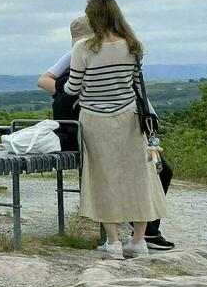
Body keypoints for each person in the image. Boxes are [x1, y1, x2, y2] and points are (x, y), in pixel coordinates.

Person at [39, 17, 176, 251]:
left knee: (148, 170)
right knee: (139, 172)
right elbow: (45, 80)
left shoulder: (104, 51)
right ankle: (142, 234)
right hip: (98, 125)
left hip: (112, 123)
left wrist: (70, 92)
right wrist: (71, 93)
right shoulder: (82, 52)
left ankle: (133, 234)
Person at [62, 0, 167, 260]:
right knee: (138, 176)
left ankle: (113, 242)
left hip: (95, 120)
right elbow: (134, 82)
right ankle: (139, 241)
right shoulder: (132, 45)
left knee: (104, 178)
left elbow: (72, 87)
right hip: (130, 118)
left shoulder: (83, 48)